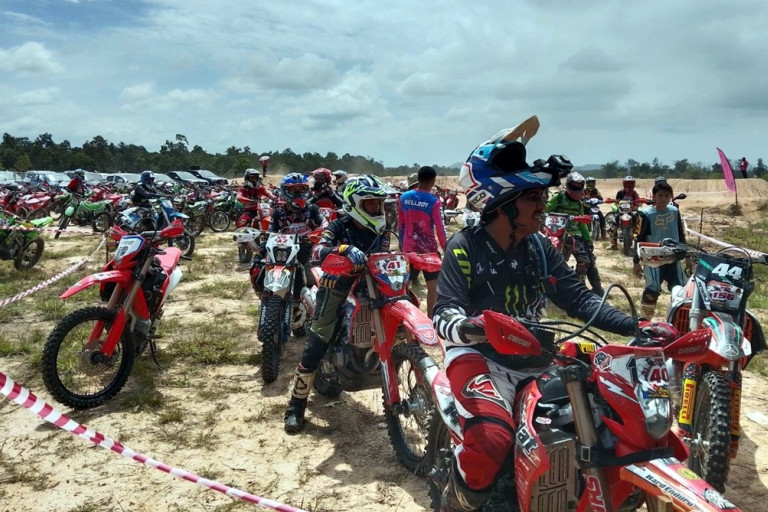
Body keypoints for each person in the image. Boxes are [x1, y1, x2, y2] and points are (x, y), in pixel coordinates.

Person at [433, 130, 677, 512]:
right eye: (532, 198)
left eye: (542, 197)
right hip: (480, 356)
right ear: (502, 205)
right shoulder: (465, 246)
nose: (542, 206)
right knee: (491, 440)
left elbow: (578, 297)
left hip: (538, 352)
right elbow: (444, 310)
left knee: (597, 416)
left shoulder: (539, 246)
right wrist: (471, 326)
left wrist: (635, 325)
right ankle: (455, 501)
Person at [283, 175, 392, 433]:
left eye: (379, 203)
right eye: (371, 204)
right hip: (338, 286)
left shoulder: (383, 229)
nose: (377, 208)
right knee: (319, 338)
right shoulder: (338, 226)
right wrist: (342, 250)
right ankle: (296, 405)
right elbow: (318, 251)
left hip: (375, 287)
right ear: (355, 204)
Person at [250, 173, 325, 292]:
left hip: (307, 249)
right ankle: (264, 292)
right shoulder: (278, 212)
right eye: (294, 190)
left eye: (302, 190)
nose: (298, 193)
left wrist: (321, 233)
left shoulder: (312, 209)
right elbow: (271, 232)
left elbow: (324, 223)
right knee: (258, 269)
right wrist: (260, 253)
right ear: (285, 192)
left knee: (314, 280)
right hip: (283, 250)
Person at [632, 180, 687, 319]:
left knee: (680, 289)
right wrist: (636, 262)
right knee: (652, 288)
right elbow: (639, 238)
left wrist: (686, 255)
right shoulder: (645, 214)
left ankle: (675, 320)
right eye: (660, 195)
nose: (663, 199)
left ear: (671, 196)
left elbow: (680, 233)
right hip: (653, 258)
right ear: (654, 197)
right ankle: (644, 321)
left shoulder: (674, 211)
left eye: (667, 195)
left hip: (673, 256)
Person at [397, 165, 447, 316]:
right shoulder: (434, 201)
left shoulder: (404, 198)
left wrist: (402, 246)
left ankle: (406, 319)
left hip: (409, 250)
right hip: (429, 251)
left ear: (417, 179)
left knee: (406, 286)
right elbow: (440, 229)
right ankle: (431, 320)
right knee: (433, 287)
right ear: (432, 181)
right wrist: (446, 248)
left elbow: (401, 225)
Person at [546, 172, 604, 295]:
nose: (577, 189)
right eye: (574, 186)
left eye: (579, 186)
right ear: (568, 185)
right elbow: (546, 209)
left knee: (587, 259)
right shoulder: (559, 197)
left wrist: (588, 239)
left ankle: (586, 287)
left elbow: (582, 223)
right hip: (557, 233)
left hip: (575, 235)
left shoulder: (579, 204)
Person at [609, 175, 642, 249]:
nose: (629, 185)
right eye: (627, 183)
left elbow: (637, 202)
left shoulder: (635, 193)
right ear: (624, 184)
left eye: (631, 183)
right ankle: (613, 243)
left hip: (631, 211)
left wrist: (635, 206)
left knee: (639, 222)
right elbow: (617, 202)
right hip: (621, 211)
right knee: (613, 224)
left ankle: (639, 242)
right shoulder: (620, 193)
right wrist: (616, 204)